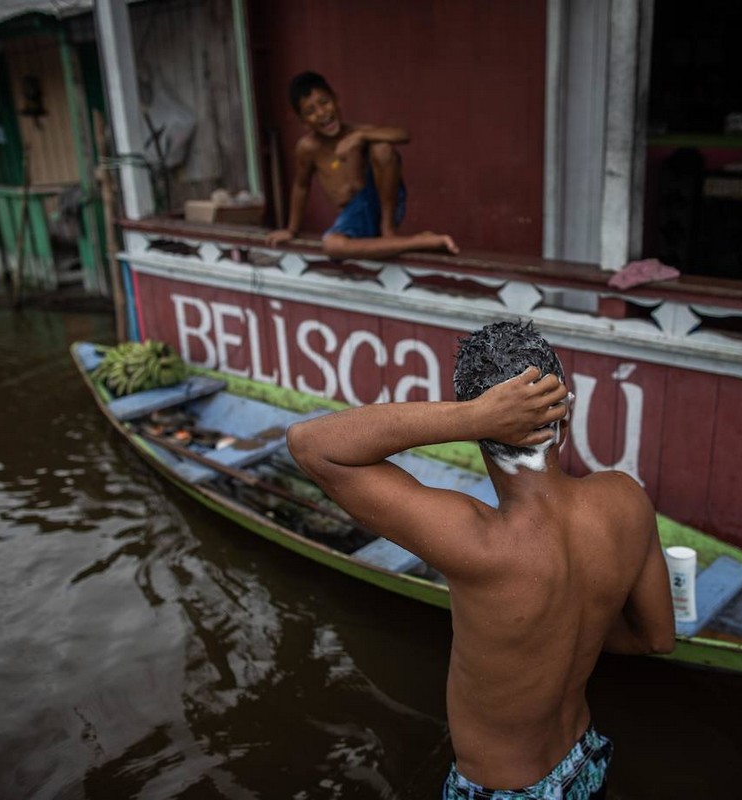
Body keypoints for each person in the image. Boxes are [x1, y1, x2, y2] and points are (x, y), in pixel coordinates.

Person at [287, 320, 675, 798]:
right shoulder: (626, 500)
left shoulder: (477, 543)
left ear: (483, 428)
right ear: (565, 417)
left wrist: (469, 418)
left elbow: (310, 445)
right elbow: (656, 637)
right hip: (583, 760)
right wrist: (573, 621)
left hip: (504, 789)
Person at [266, 71, 459, 260]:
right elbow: (301, 186)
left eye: (324, 103)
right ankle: (419, 241)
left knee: (382, 148)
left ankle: (388, 230)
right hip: (354, 216)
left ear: (337, 100)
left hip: (381, 205)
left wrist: (360, 137)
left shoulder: (357, 132)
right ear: (303, 122)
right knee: (332, 245)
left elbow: (403, 134)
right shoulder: (307, 148)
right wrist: (291, 230)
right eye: (310, 111)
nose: (321, 113)